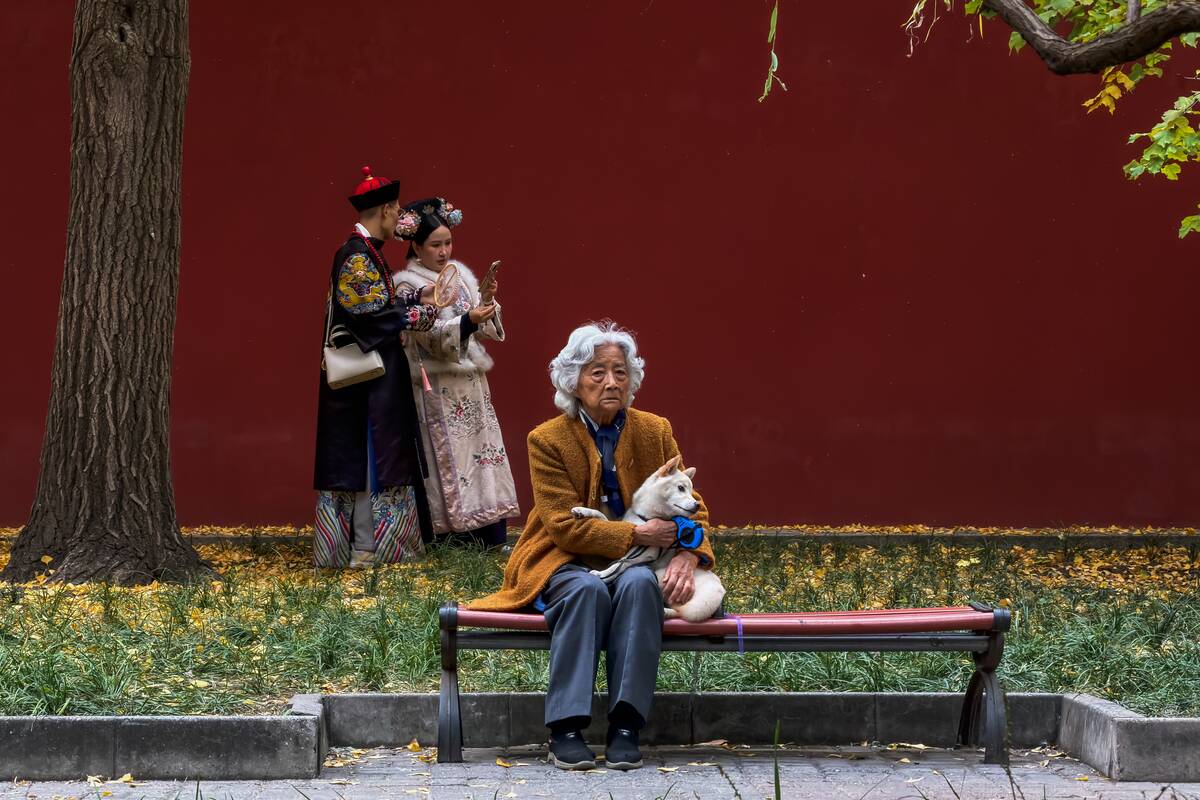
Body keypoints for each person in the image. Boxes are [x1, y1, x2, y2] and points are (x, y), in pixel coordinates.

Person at [469, 321, 717, 771]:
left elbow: (692, 507)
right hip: (562, 560)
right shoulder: (546, 439)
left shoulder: (655, 430)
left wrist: (688, 553)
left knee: (641, 585)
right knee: (586, 589)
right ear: (573, 380)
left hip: (636, 564)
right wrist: (636, 535)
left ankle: (626, 725)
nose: (610, 382)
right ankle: (565, 728)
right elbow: (563, 527)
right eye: (597, 371)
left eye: (620, 372)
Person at [312, 167, 438, 568]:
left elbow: (373, 307)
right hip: (364, 383)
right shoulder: (355, 256)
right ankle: (367, 546)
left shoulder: (363, 254)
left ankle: (367, 545)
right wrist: (414, 313)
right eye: (396, 210)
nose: (399, 218)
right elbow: (367, 313)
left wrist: (414, 299)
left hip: (371, 377)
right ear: (384, 210)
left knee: (371, 456)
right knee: (370, 457)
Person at [392, 197, 519, 548]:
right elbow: (428, 336)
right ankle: (457, 535)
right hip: (439, 387)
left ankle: (491, 533)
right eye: (436, 244)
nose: (444, 251)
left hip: (472, 383)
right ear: (416, 246)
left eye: (448, 243)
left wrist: (487, 304)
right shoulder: (407, 286)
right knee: (455, 459)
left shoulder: (460, 275)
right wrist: (467, 320)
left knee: (484, 454)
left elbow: (482, 323)